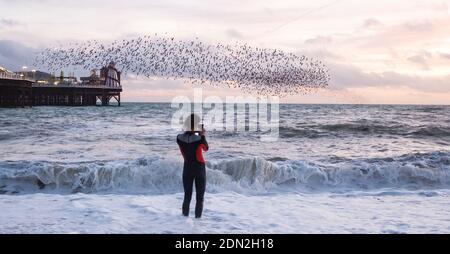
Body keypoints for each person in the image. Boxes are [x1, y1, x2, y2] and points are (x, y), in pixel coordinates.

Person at [177, 113, 209, 218]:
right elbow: (206, 148)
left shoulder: (179, 138)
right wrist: (202, 135)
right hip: (199, 168)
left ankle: (184, 221)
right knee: (200, 198)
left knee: (187, 196)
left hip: (187, 169)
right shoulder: (199, 139)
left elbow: (187, 139)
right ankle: (197, 224)